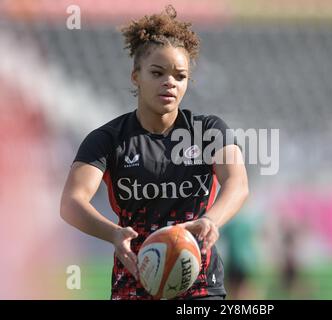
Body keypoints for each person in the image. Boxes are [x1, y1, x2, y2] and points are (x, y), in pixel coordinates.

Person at [60, 5, 249, 300]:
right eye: (157, 72)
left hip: (200, 283)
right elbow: (72, 202)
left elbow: (238, 183)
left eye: (180, 75)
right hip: (134, 280)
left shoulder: (209, 130)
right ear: (136, 76)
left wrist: (211, 220)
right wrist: (112, 233)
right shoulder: (107, 140)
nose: (170, 82)